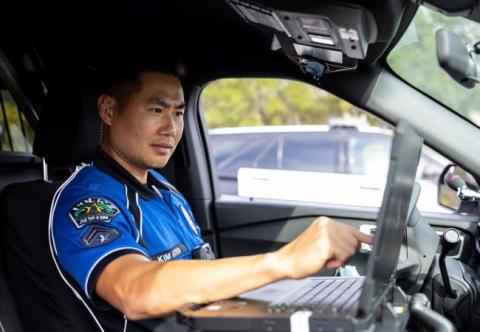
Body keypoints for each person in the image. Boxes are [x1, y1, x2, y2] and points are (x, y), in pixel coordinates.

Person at [50, 62, 373, 331]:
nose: (171, 128)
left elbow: (201, 275)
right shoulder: (87, 201)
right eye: (156, 109)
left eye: (177, 113)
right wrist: (282, 262)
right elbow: (134, 290)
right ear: (108, 110)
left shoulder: (164, 191)